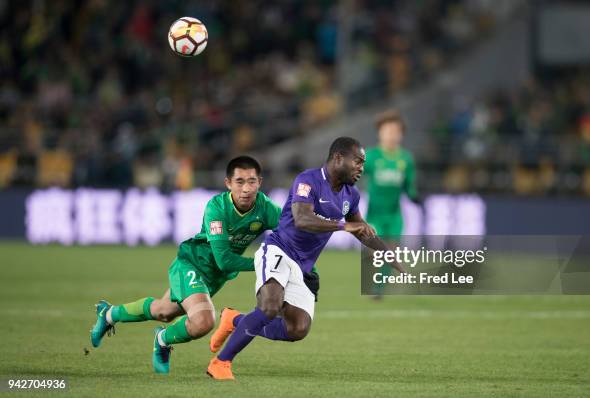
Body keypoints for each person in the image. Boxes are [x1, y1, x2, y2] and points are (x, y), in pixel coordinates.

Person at [206, 137, 405, 380]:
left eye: (363, 163)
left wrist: (392, 258)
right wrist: (344, 226)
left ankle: (235, 320)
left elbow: (361, 230)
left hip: (303, 267)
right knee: (269, 306)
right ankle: (221, 362)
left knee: (297, 328)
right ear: (338, 158)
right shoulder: (308, 180)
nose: (361, 168)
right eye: (358, 162)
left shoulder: (351, 195)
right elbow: (302, 219)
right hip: (279, 250)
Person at [89, 156, 281, 374]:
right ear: (228, 183)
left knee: (164, 311)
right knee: (203, 321)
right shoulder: (217, 208)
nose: (246, 189)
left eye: (251, 181)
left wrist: (304, 266)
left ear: (260, 182)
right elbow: (224, 260)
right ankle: (162, 340)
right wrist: (266, 263)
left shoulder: (265, 207)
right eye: (239, 182)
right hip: (192, 264)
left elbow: (293, 234)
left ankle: (108, 314)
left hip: (215, 278)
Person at [364, 110, 419, 298]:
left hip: (395, 214)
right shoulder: (371, 156)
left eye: (395, 131)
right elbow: (354, 176)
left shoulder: (405, 159)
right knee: (377, 250)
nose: (391, 135)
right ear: (380, 133)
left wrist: (414, 196)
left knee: (390, 251)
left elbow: (409, 185)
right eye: (387, 131)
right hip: (374, 214)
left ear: (401, 134)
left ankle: (379, 289)